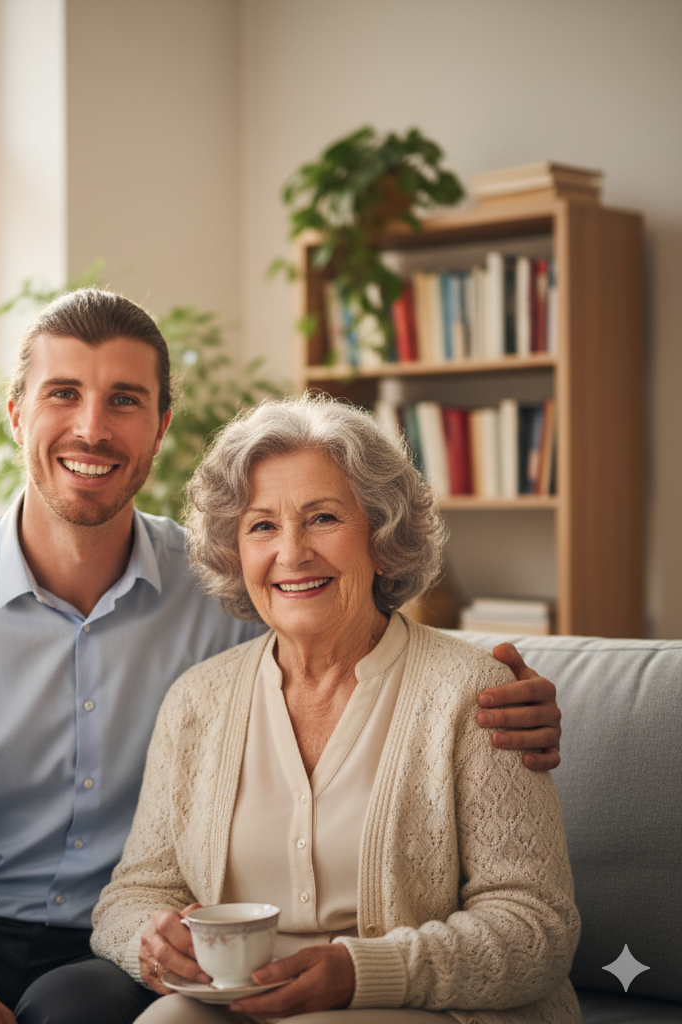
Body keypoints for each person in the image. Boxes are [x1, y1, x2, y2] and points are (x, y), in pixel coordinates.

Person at [0, 291, 564, 1024]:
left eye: (125, 400)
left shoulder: (226, 587)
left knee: (79, 1012)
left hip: (112, 954)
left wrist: (504, 695)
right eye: (64, 394)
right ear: (17, 413)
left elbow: (347, 632)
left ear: (161, 427)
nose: (92, 426)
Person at [90, 395, 581, 1023]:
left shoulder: (476, 694)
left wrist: (361, 972)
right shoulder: (197, 700)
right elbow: (132, 894)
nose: (292, 553)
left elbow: (536, 927)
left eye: (322, 518)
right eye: (262, 526)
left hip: (430, 1005)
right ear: (235, 552)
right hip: (244, 1004)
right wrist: (150, 942)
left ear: (381, 536)